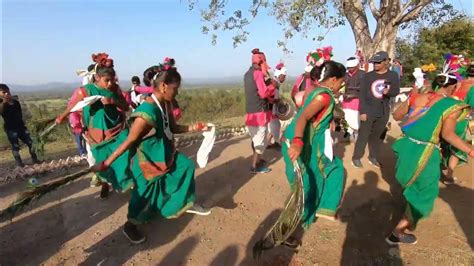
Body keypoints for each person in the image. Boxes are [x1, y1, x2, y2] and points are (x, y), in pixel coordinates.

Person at [92, 61, 211, 244]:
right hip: (147, 161)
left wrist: (197, 127)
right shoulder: (146, 112)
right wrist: (107, 163)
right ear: (163, 86)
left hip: (165, 154)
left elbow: (173, 127)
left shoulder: (165, 104)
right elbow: (130, 141)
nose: (177, 92)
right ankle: (130, 226)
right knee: (142, 197)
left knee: (185, 166)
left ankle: (174, 205)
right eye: (175, 88)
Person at [387, 73, 473, 245]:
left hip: (405, 146)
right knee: (426, 193)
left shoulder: (418, 97)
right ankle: (397, 232)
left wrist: (412, 99)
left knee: (410, 181)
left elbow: (396, 116)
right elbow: (448, 134)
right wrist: (471, 151)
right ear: (452, 87)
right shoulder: (451, 105)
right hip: (425, 151)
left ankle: (406, 206)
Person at [282, 61, 346, 248]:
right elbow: (303, 117)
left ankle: (323, 208)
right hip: (299, 143)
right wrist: (298, 142)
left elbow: (311, 115)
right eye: (341, 81)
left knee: (327, 172)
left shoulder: (314, 90)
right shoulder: (323, 97)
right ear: (333, 79)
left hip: (303, 142)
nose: (341, 85)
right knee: (305, 187)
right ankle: (286, 230)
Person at [56, 53, 132, 198]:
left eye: (112, 80)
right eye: (107, 80)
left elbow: (126, 107)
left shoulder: (115, 89)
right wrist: (61, 117)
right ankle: (105, 182)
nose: (110, 83)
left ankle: (124, 181)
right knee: (102, 159)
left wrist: (113, 102)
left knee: (122, 154)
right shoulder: (85, 90)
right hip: (96, 133)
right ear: (97, 78)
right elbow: (72, 106)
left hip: (116, 128)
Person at [352, 51, 400, 168]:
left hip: (383, 110)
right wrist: (362, 112)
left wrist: (389, 92)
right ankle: (357, 157)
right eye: (374, 62)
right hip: (368, 110)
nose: (375, 65)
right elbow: (362, 95)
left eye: (378, 62)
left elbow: (396, 91)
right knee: (363, 135)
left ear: (386, 62)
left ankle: (373, 156)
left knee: (378, 136)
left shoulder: (393, 75)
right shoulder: (368, 76)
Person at [244, 48, 276, 173]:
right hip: (259, 113)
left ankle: (257, 161)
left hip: (250, 113)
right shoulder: (257, 74)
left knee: (255, 139)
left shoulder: (247, 74)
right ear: (261, 61)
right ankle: (254, 166)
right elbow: (263, 93)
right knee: (260, 141)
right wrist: (273, 86)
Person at [0, 84, 40, 167]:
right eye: (4, 92)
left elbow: (19, 115)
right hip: (11, 129)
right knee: (15, 146)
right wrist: (4, 102)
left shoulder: (16, 102)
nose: (7, 93)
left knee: (30, 143)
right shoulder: (2, 105)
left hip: (21, 127)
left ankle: (35, 160)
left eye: (7, 91)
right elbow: (1, 113)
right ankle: (19, 164)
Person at [342, 57, 365, 141]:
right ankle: (350, 133)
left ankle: (357, 133)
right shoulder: (345, 75)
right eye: (349, 68)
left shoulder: (363, 74)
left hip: (357, 101)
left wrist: (354, 95)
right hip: (346, 101)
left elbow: (365, 89)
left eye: (352, 67)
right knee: (347, 117)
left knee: (356, 118)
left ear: (357, 66)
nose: (350, 69)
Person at [267, 62, 287, 149]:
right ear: (279, 75)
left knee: (275, 126)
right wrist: (279, 101)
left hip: (273, 109)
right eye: (284, 76)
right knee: (275, 127)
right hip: (272, 110)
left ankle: (271, 142)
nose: (284, 78)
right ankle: (270, 143)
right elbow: (270, 98)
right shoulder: (274, 84)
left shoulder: (276, 83)